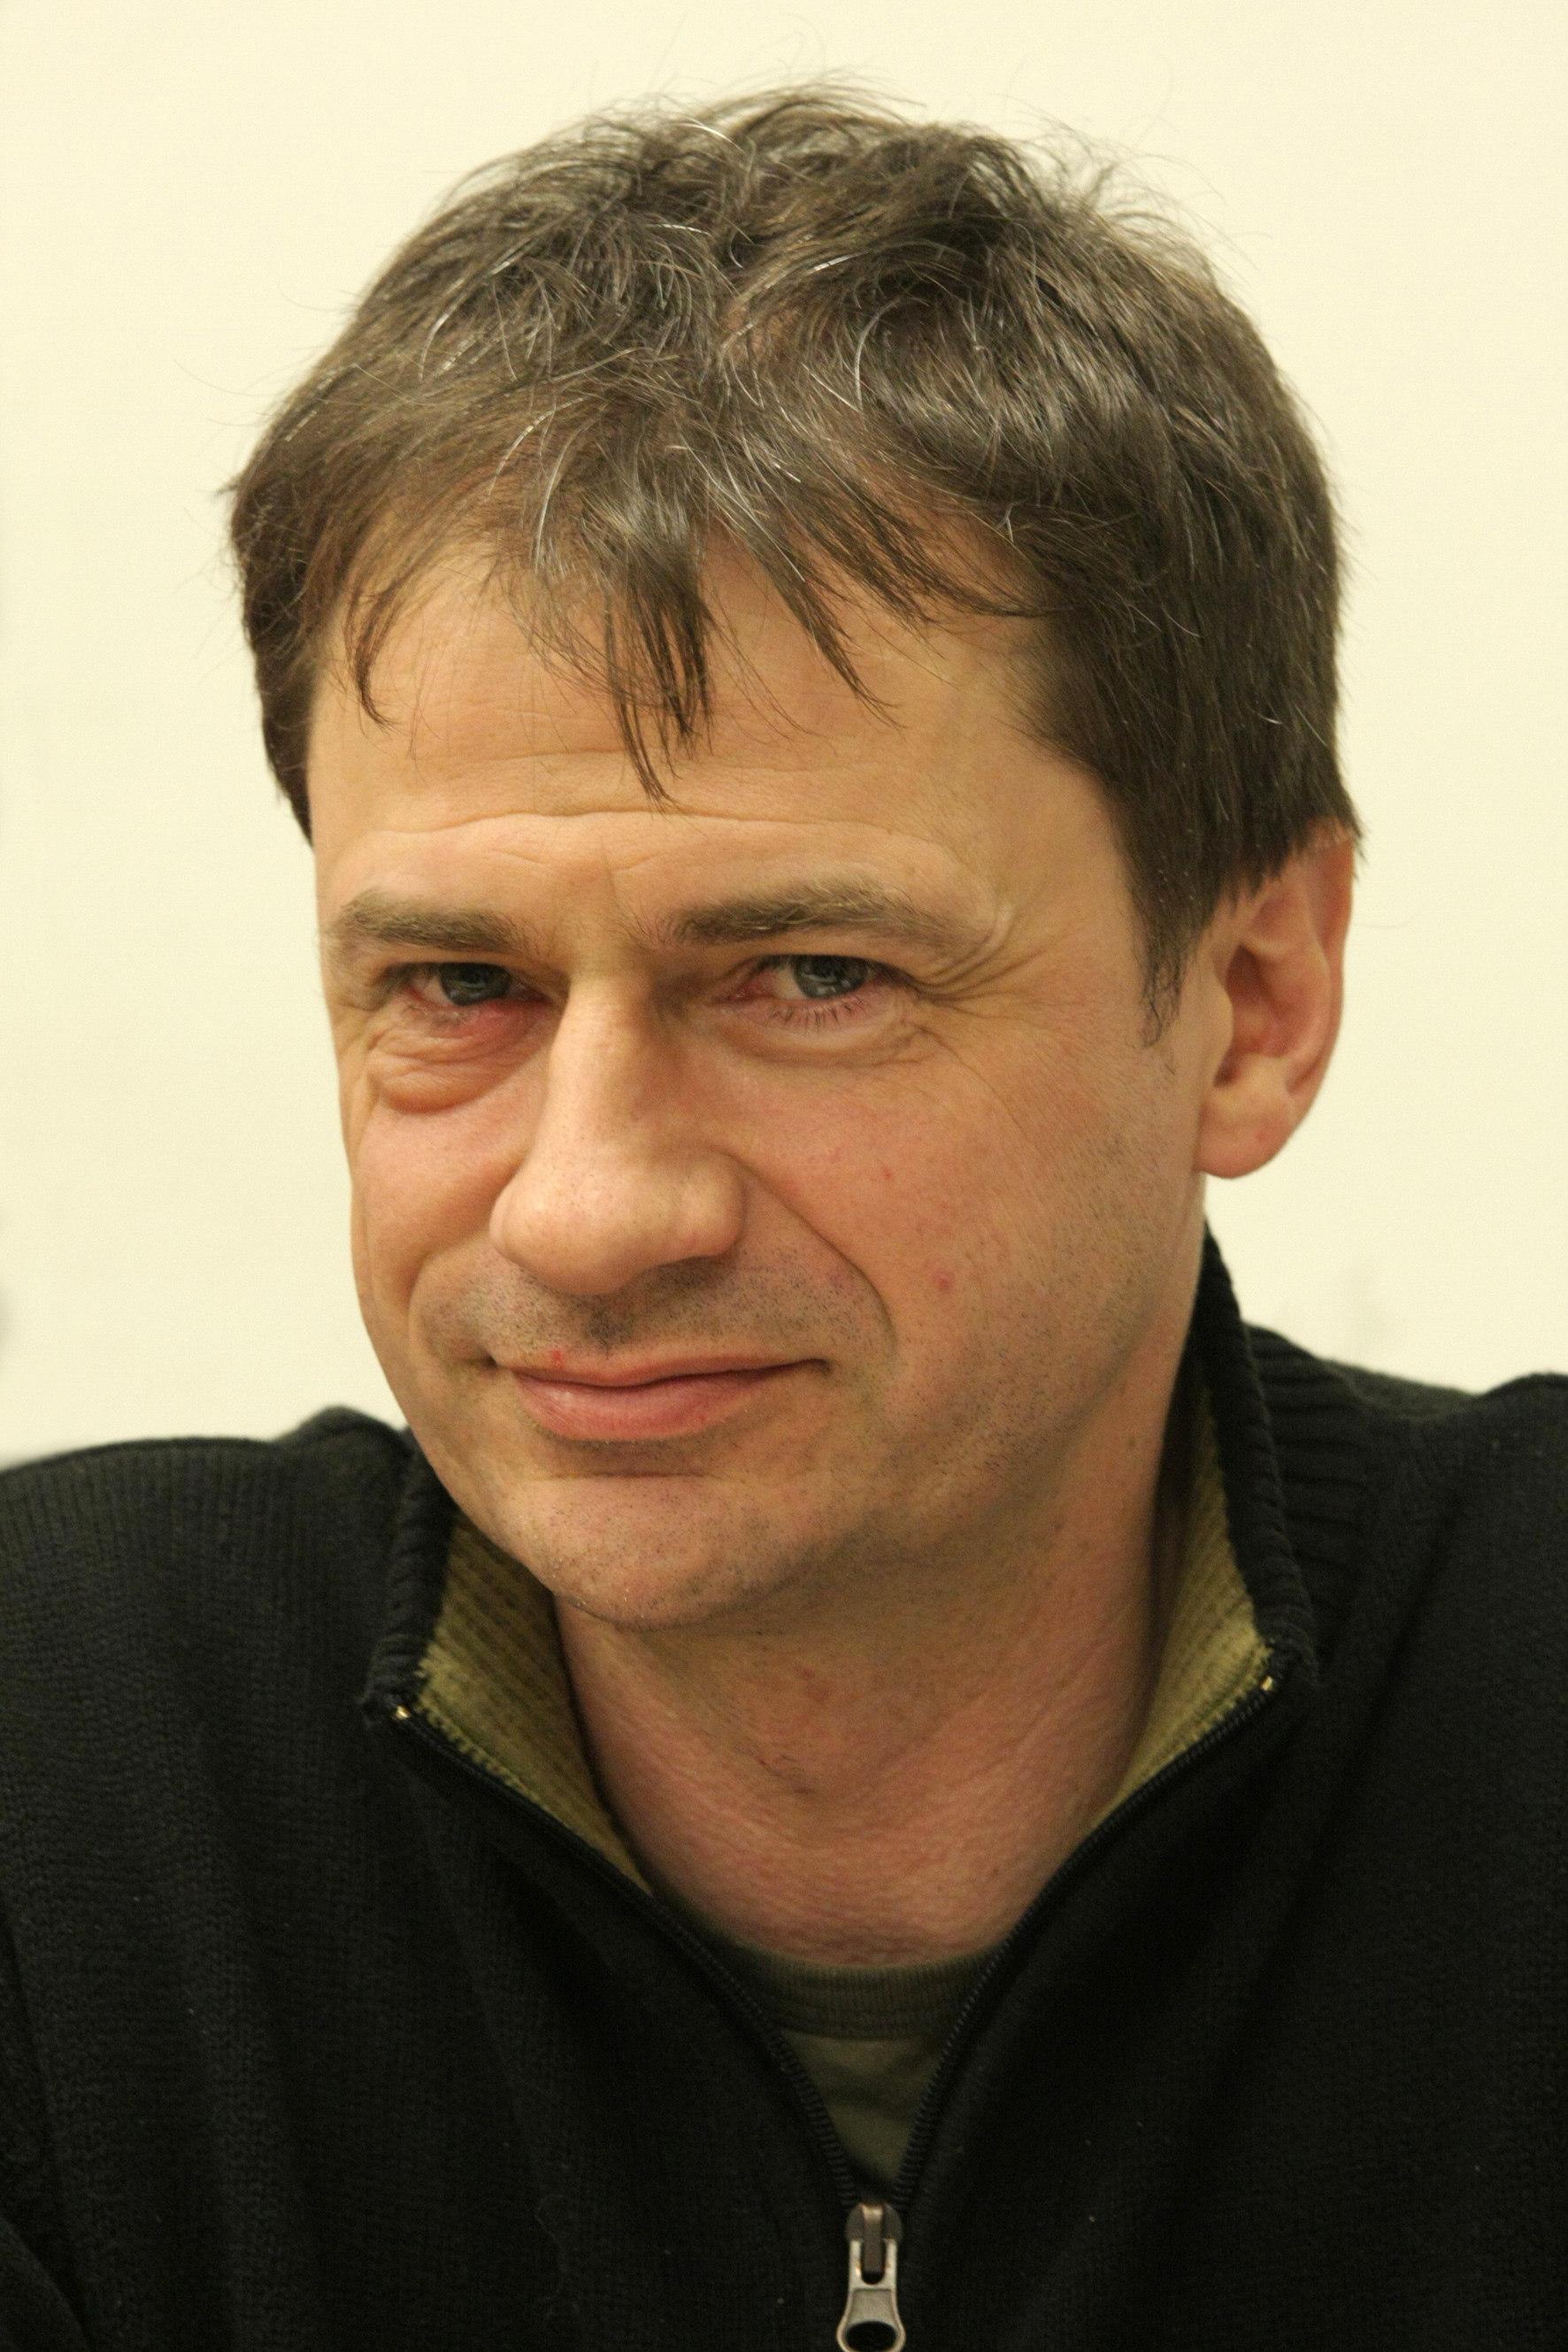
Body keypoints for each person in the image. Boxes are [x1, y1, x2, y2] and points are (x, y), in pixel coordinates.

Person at [1, 88, 1563, 2352]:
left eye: (814, 977)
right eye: (457, 989)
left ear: (1252, 997)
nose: (588, 1208)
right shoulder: (51, 1801)